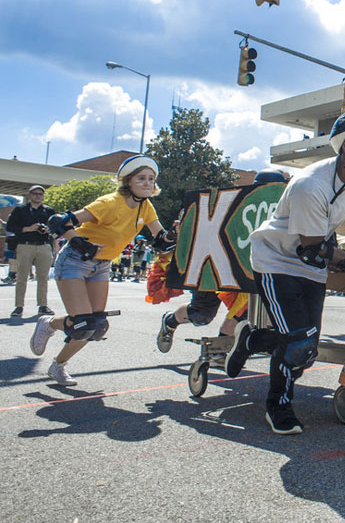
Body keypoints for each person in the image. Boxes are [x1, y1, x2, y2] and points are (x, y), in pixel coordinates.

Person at [224, 107, 345, 435]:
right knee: (298, 345)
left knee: (307, 349)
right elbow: (313, 250)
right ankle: (278, 404)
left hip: (309, 267)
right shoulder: (310, 185)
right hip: (277, 261)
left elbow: (324, 237)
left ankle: (251, 338)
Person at [30, 155, 175, 386]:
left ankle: (58, 365)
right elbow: (60, 222)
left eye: (151, 179)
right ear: (128, 181)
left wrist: (172, 235)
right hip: (75, 261)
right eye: (141, 178)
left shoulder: (146, 206)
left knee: (95, 326)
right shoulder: (109, 202)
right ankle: (49, 324)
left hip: (102, 265)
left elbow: (160, 238)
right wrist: (80, 243)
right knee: (82, 323)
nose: (148, 183)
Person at [156, 170, 288, 354]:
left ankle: (218, 352)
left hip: (244, 271)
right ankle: (170, 321)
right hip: (213, 266)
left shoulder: (282, 212)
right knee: (201, 314)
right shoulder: (232, 204)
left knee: (245, 314)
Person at [7, 185, 55, 318]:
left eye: (40, 194)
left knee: (43, 278)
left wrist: (48, 230)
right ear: (29, 195)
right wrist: (27, 228)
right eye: (35, 194)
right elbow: (10, 226)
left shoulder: (49, 211)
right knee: (22, 277)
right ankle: (19, 306)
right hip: (25, 245)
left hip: (44, 245)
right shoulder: (20, 210)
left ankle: (43, 305)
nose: (38, 196)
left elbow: (56, 227)